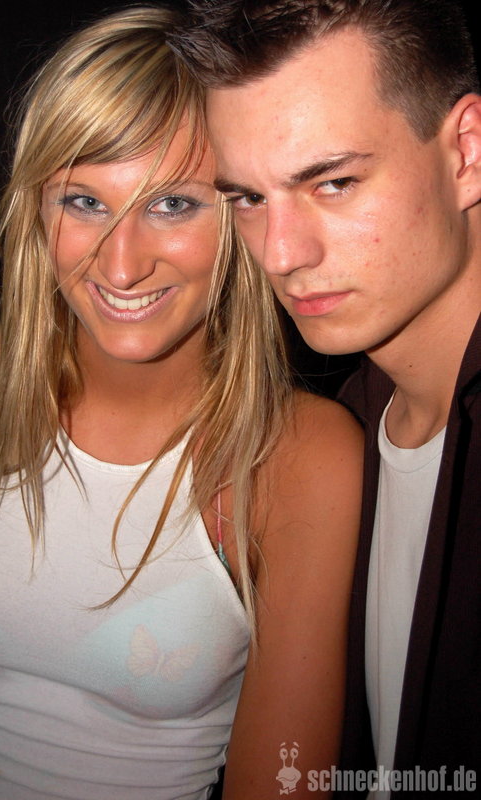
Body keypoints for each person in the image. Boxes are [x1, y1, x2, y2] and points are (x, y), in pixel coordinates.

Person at [0, 4, 363, 798]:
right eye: (85, 201)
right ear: (37, 211)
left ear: (242, 212)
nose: (122, 264)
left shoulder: (300, 458)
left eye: (172, 204)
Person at [169, 0, 481, 796]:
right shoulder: (344, 431)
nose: (281, 255)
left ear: (467, 153)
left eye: (333, 183)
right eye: (247, 198)